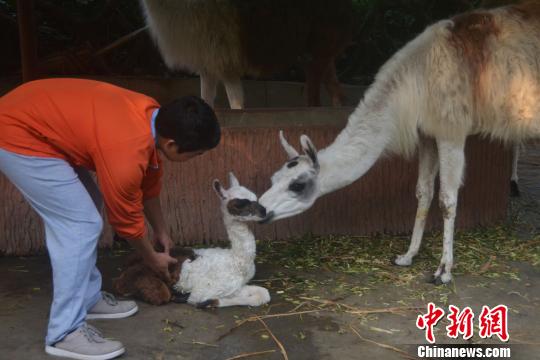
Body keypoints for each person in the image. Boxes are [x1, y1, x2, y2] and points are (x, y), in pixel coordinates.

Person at [0, 78, 221, 360]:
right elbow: (125, 221)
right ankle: (64, 332)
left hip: (36, 119)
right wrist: (152, 259)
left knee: (87, 207)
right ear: (172, 144)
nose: (197, 158)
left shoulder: (153, 118)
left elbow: (148, 181)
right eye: (196, 154)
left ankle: (88, 298)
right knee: (80, 224)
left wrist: (161, 231)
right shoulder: (127, 149)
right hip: (17, 131)